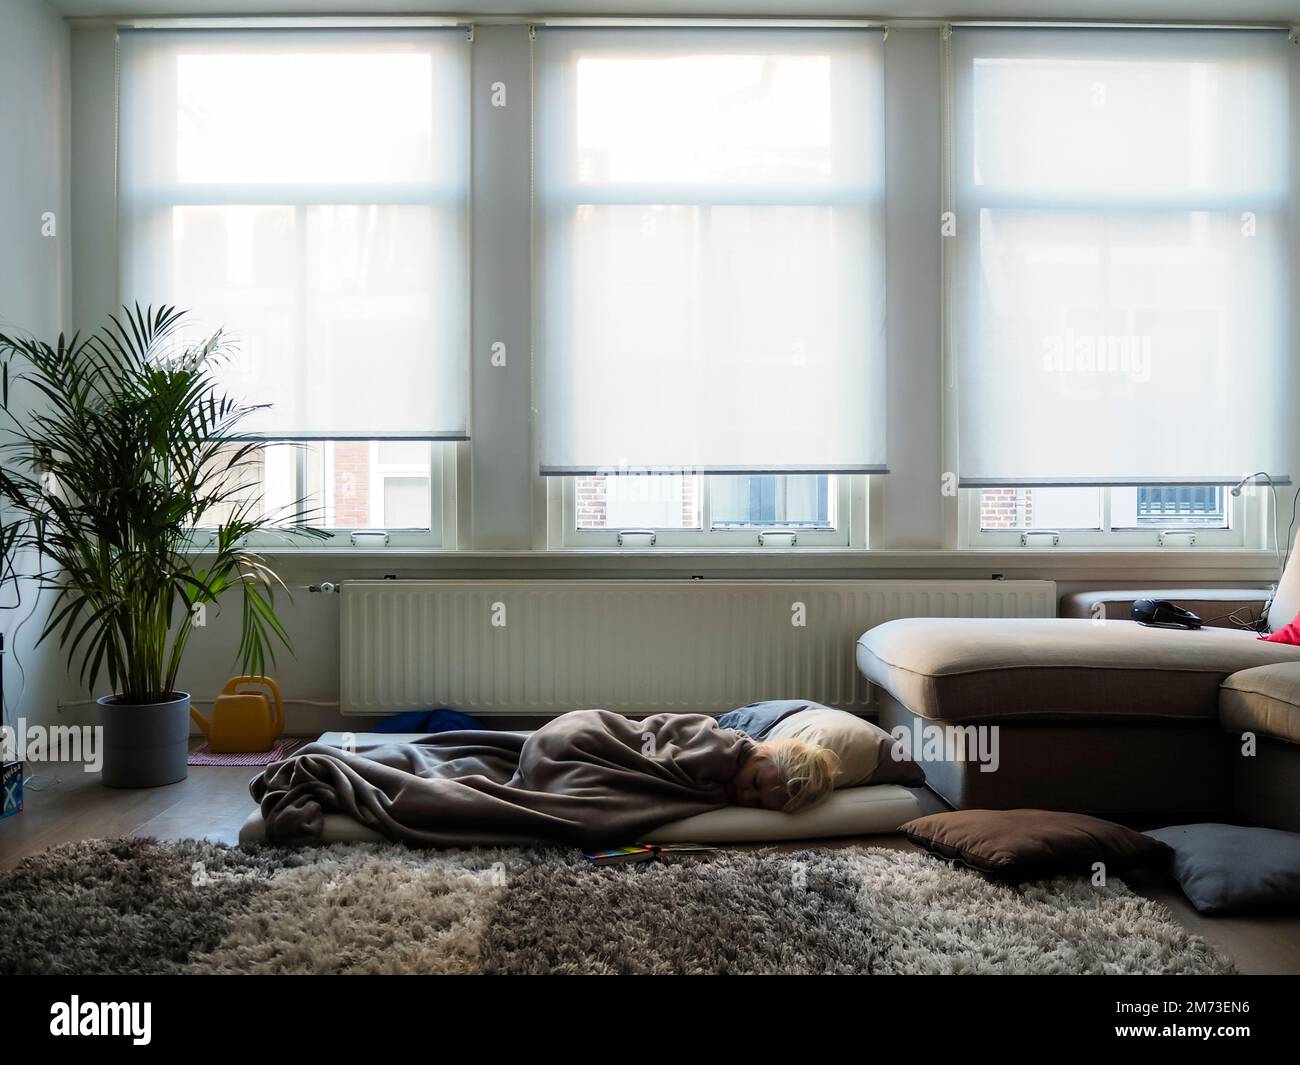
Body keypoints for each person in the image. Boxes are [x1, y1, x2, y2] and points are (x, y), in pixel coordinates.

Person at [725, 736, 838, 813]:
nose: (746, 796)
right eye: (755, 782)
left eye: (758, 803)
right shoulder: (721, 751)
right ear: (759, 752)